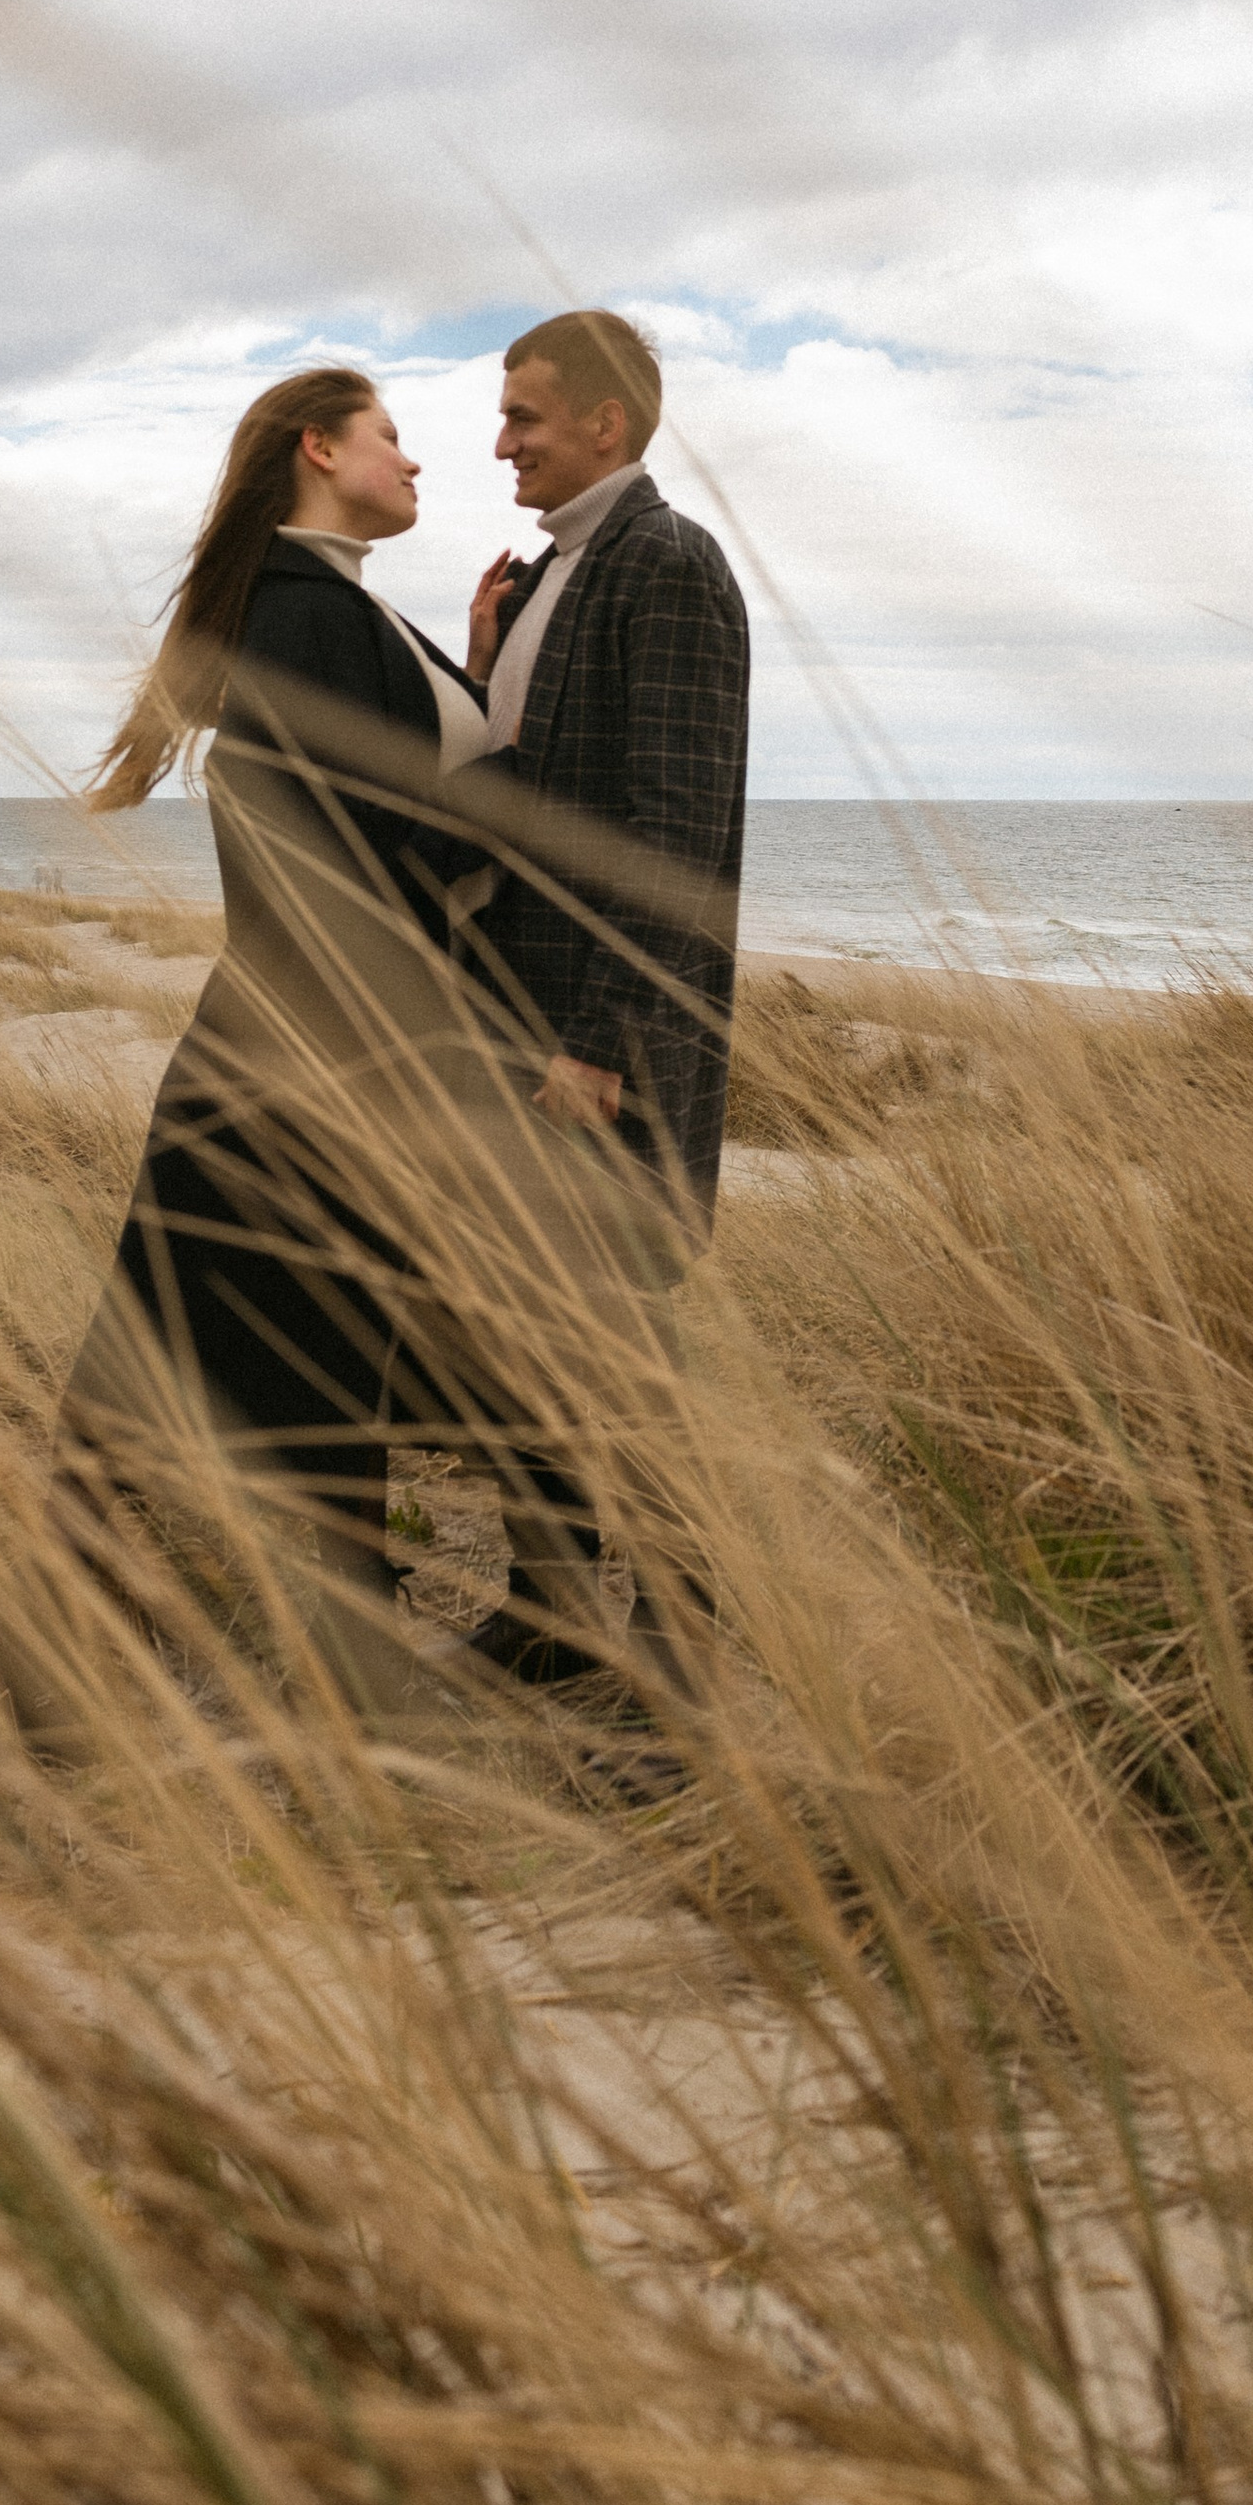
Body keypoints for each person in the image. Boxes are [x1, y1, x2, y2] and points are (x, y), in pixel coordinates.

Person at [48, 365, 494, 1717]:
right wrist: (521, 829)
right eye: (390, 437)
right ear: (319, 448)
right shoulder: (307, 617)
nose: (415, 461)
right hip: (303, 1055)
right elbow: (349, 852)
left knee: (254, 1344)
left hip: (303, 1045)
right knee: (250, 1349)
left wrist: (472, 674)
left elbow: (376, 800)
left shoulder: (340, 609)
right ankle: (92, 1656)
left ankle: (98, 1649)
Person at [454, 309, 752, 1694]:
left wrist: (599, 1045)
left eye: (522, 415)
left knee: (621, 1340)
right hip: (522, 1023)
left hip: (599, 1039)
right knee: (529, 1329)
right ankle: (552, 1610)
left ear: (605, 423)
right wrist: (483, 663)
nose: (500, 442)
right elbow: (521, 804)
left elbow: (670, 840)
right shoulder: (552, 580)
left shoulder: (666, 565)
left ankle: (682, 1636)